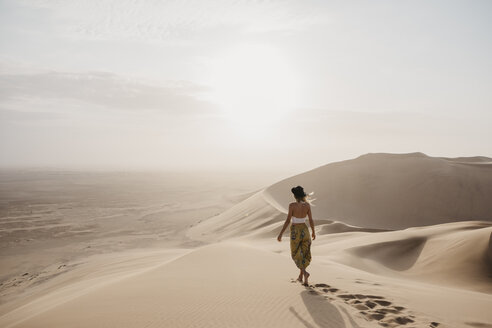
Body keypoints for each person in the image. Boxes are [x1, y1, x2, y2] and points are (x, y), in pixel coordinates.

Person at [277, 185, 316, 286]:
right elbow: (311, 220)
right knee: (303, 253)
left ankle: (305, 273)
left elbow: (287, 220)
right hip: (305, 230)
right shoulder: (307, 205)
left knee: (295, 253)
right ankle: (301, 276)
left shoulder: (292, 205)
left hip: (295, 231)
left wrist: (281, 233)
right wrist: (313, 232)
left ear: (295, 196)